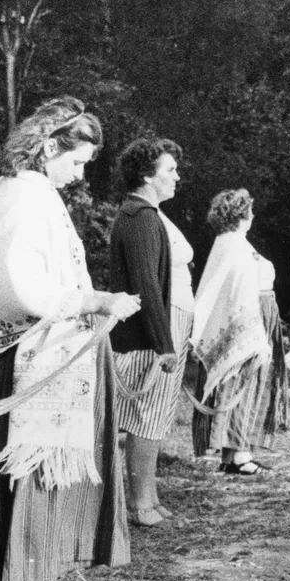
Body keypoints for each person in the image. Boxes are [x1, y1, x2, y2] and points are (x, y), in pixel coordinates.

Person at [0, 97, 138, 581]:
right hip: (33, 362)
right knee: (35, 475)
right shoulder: (26, 195)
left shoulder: (34, 192)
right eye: (76, 163)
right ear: (50, 146)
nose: (78, 176)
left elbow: (56, 278)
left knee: (48, 476)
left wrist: (97, 296)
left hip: (48, 358)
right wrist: (95, 302)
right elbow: (22, 287)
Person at [108, 137, 194, 526]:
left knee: (156, 415)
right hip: (155, 329)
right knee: (147, 414)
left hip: (170, 321)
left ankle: (149, 496)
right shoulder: (140, 217)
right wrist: (164, 343)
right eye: (170, 170)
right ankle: (140, 504)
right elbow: (145, 283)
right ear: (146, 175)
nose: (177, 176)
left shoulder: (151, 213)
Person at [189, 190, 281, 476]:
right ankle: (238, 455)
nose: (252, 216)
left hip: (259, 310)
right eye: (250, 211)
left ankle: (237, 452)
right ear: (243, 215)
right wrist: (254, 336)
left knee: (245, 386)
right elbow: (241, 293)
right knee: (243, 384)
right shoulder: (234, 246)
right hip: (251, 315)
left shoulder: (231, 242)